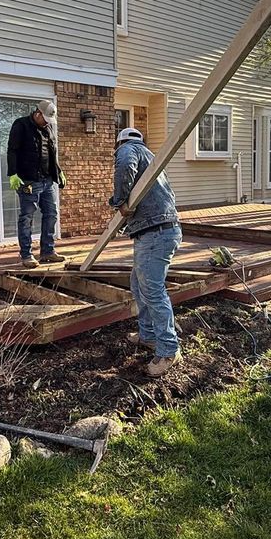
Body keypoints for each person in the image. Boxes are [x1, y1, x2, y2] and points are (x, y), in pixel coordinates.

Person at [109, 127, 181, 377]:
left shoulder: (129, 150)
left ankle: (168, 350)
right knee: (139, 286)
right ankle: (148, 335)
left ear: (119, 142)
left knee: (152, 290)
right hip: (158, 230)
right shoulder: (150, 156)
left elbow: (124, 165)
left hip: (155, 232)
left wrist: (119, 201)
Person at [7, 99, 66, 268]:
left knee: (51, 214)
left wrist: (58, 170)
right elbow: (12, 150)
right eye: (45, 119)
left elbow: (52, 152)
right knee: (27, 217)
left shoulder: (47, 129)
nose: (47, 123)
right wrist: (12, 173)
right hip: (28, 180)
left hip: (47, 180)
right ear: (37, 113)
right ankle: (26, 255)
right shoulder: (21, 125)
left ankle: (48, 251)